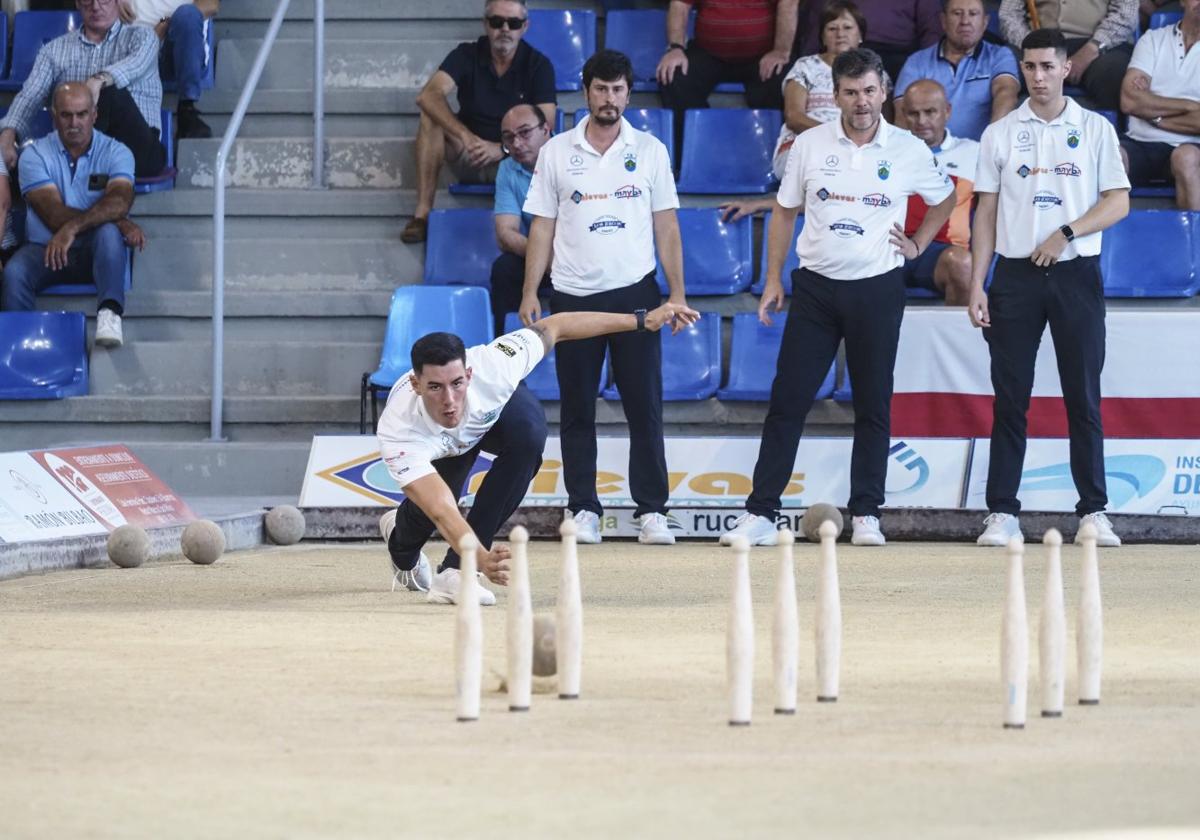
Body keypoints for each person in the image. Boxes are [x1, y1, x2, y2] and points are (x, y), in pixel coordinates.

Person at [720, 48, 955, 549]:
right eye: (851, 92)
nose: (862, 101)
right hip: (816, 289)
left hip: (878, 287)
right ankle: (761, 512)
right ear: (837, 95)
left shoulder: (908, 149)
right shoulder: (808, 144)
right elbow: (784, 212)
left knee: (873, 403)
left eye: (869, 90)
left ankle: (867, 512)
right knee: (788, 401)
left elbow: (946, 198)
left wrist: (917, 246)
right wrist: (773, 280)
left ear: (883, 91)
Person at [377, 301, 699, 605]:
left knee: (528, 435)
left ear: (470, 375)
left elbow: (556, 326)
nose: (449, 399)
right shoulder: (399, 429)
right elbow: (441, 509)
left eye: (457, 383)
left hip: (492, 418)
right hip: (439, 448)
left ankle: (455, 574)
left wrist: (642, 320)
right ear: (416, 384)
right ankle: (400, 537)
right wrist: (480, 553)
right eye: (435, 387)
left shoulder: (496, 365)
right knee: (422, 520)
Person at [968, 28, 1130, 548]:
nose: (1038, 77)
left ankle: (1094, 511)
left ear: (1065, 69)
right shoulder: (1000, 133)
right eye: (1029, 67)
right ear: (1022, 69)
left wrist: (1065, 234)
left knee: (1082, 395)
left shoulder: (1097, 128)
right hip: (1014, 277)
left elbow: (1118, 202)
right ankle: (1001, 512)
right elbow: (985, 213)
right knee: (1010, 397)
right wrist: (978, 282)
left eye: (1047, 67)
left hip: (1075, 273)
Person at [520, 50, 686, 546]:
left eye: (617, 90)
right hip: (571, 294)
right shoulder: (555, 152)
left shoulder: (651, 150)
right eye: (600, 88)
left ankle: (652, 510)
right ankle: (583, 507)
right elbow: (542, 227)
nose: (609, 98)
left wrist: (676, 292)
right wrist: (531, 289)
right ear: (586, 91)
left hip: (637, 291)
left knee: (644, 407)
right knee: (576, 408)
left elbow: (667, 225)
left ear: (628, 94)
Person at [0, 83, 147, 349]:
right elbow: (54, 214)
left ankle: (110, 313)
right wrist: (117, 219)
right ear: (54, 116)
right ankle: (19, 345)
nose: (74, 123)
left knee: (108, 234)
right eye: (66, 115)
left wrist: (73, 228)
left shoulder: (117, 151)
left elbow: (120, 201)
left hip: (95, 251)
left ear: (94, 115)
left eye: (81, 114)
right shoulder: (34, 155)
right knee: (14, 272)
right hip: (45, 249)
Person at [400, 0, 556, 244]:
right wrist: (467, 138)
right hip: (468, 153)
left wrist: (502, 148)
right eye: (497, 21)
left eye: (513, 23)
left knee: (538, 138)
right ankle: (421, 215)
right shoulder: (466, 54)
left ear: (524, 27)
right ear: (485, 24)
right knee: (429, 116)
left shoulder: (538, 64)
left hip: (514, 159)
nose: (505, 29)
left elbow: (547, 123)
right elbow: (428, 95)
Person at [0, 0, 167, 178]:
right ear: (78, 3)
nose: (95, 6)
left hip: (138, 150)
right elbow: (29, 96)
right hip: (79, 151)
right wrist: (8, 135)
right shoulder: (54, 50)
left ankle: (72, 169)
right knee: (24, 163)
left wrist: (98, 80)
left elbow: (135, 65)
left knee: (107, 93)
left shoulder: (143, 37)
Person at [771, 0, 891, 179]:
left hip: (859, 149)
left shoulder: (876, 74)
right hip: (805, 145)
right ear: (823, 37)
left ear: (860, 35)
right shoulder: (805, 67)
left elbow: (883, 122)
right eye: (832, 28)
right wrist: (840, 137)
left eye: (848, 27)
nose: (840, 34)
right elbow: (793, 117)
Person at [656, 0, 798, 127]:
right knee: (673, 73)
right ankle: (699, 137)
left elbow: (788, 4)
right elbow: (679, 5)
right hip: (708, 53)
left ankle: (768, 144)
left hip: (762, 56)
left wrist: (780, 51)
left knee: (783, 77)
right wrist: (675, 48)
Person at [898, 79, 979, 303]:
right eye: (913, 113)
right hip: (892, 249)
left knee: (961, 263)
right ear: (903, 114)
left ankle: (959, 338)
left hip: (942, 252)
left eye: (930, 112)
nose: (921, 121)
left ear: (947, 112)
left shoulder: (973, 153)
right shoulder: (888, 153)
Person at [893, 0, 1019, 141]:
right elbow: (902, 113)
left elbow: (1006, 94)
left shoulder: (1000, 56)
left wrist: (993, 143)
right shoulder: (917, 61)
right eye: (957, 13)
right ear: (943, 21)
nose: (965, 21)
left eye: (973, 14)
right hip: (928, 155)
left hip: (980, 152)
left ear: (985, 22)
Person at [1118, 0, 1200, 210]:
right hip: (1139, 142)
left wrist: (1155, 116)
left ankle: (1194, 240)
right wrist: (1191, 106)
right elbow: (1130, 100)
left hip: (1191, 145)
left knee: (1186, 158)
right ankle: (1105, 241)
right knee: (1111, 157)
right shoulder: (1153, 39)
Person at [999, 0, 1137, 109]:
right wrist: (1033, 47)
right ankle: (1002, 135)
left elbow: (1126, 14)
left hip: (1098, 43)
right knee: (1005, 65)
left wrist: (1090, 50)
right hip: (1039, 42)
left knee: (1112, 70)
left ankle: (1109, 137)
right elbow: (1009, 14)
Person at [490, 103, 553, 337]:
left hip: (576, 256)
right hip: (539, 254)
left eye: (524, 133)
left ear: (546, 129)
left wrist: (561, 260)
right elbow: (505, 234)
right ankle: (503, 352)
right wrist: (544, 257)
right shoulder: (507, 169)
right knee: (504, 269)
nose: (516, 144)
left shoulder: (572, 158)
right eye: (508, 138)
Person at [121, 0, 219, 139]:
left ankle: (187, 109)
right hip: (131, 44)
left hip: (174, 47)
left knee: (188, 15)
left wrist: (166, 23)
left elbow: (211, 5)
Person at [799, 0, 942, 81]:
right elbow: (818, 22)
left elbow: (931, 29)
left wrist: (927, 65)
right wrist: (809, 60)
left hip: (896, 54)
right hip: (846, 47)